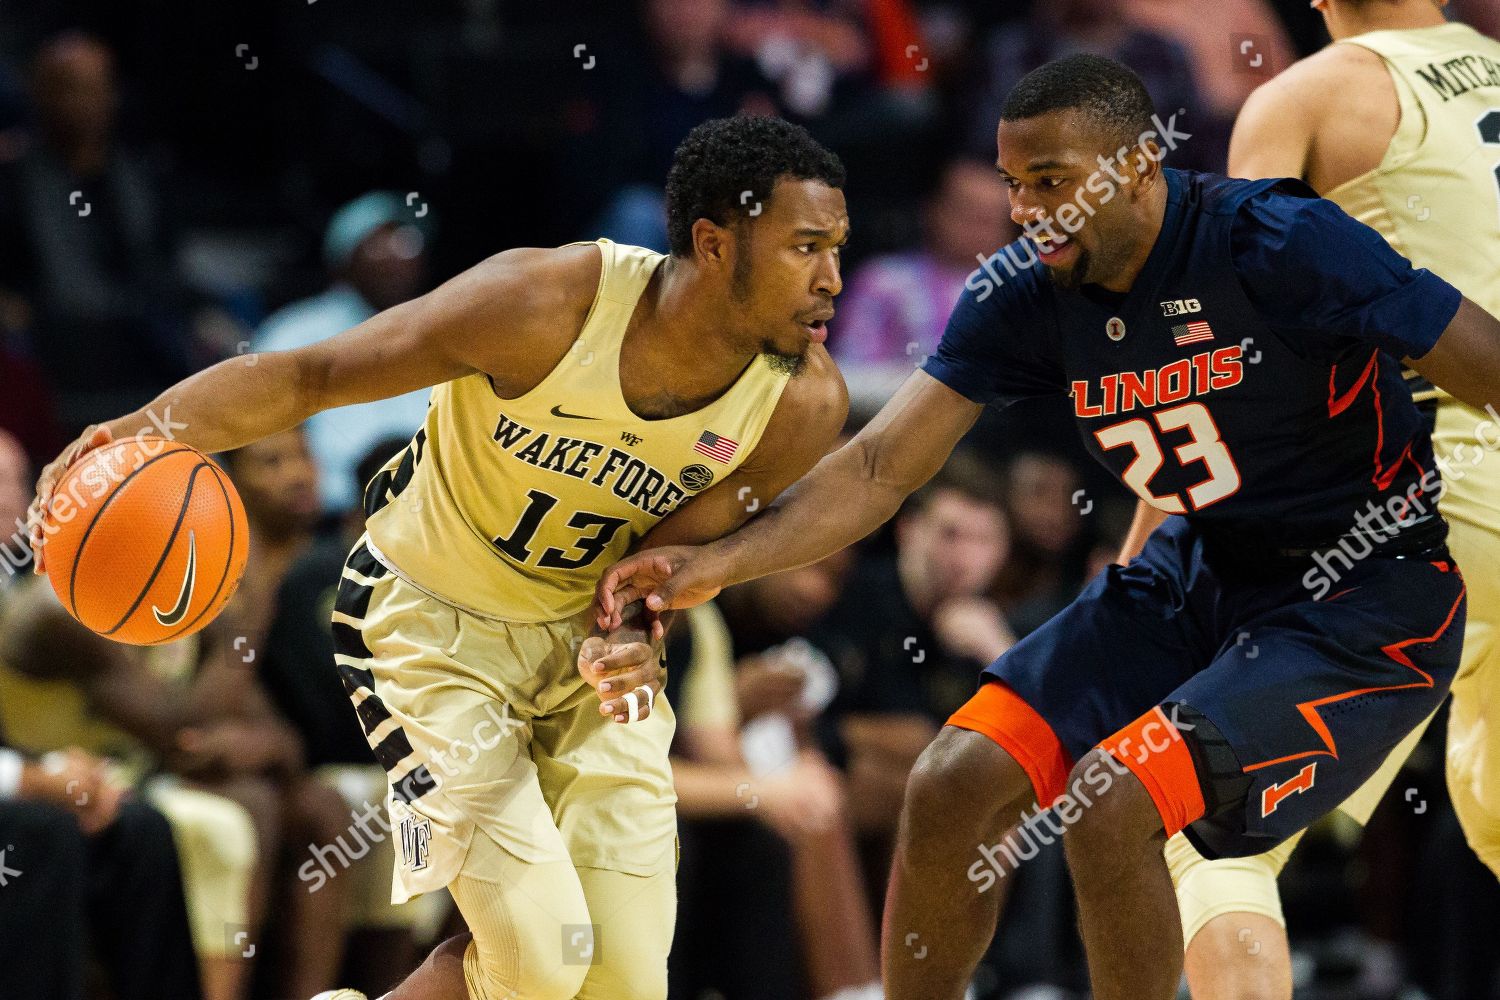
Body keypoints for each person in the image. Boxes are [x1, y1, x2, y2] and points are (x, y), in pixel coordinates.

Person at [595, 54, 1500, 1000]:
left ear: (1141, 165)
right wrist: (715, 564)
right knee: (949, 779)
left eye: (1053, 182)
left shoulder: (1277, 241)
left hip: (1364, 599)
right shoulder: (1027, 292)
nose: (1027, 211)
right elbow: (876, 465)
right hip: (1197, 570)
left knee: (1114, 798)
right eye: (1015, 185)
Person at [30, 114, 850, 1000]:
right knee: (541, 958)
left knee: (621, 981)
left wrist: (641, 637)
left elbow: (659, 568)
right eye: (808, 247)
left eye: (840, 247)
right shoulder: (544, 302)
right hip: (430, 622)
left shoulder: (798, 404)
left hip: (580, 648)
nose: (833, 280)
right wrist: (127, 434)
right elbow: (311, 377)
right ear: (714, 243)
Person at [1140, 2, 1500, 997]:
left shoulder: (1306, 96)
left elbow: (1220, 357)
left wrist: (1141, 554)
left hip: (1437, 493)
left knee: (1200, 828)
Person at [252, 193, 434, 514]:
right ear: (343, 261)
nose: (395, 255)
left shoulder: (444, 332)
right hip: (326, 521)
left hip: (432, 517)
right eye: (378, 244)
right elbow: (260, 443)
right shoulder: (294, 333)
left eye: (405, 242)